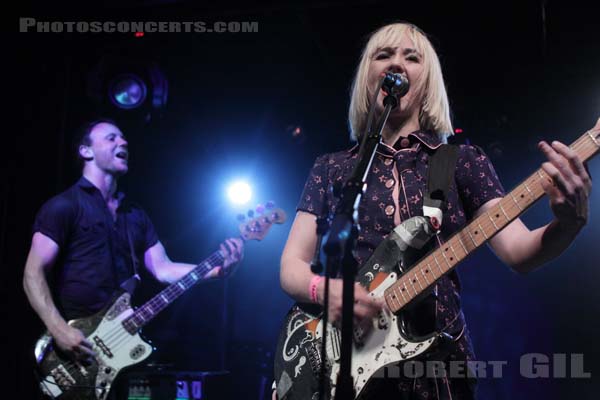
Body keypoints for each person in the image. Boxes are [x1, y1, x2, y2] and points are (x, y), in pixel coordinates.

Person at [278, 22, 594, 399]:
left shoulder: (460, 162)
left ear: (426, 82)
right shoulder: (332, 168)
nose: (396, 64)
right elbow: (291, 267)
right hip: (343, 369)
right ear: (368, 77)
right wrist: (327, 290)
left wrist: (569, 222)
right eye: (384, 55)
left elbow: (520, 252)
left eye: (411, 57)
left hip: (436, 371)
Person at [23, 118, 244, 365]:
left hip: (118, 345)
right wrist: (59, 329)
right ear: (86, 151)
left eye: (123, 137)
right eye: (111, 138)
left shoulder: (135, 214)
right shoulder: (65, 206)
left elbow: (163, 269)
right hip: (74, 345)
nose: (123, 141)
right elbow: (33, 273)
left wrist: (217, 270)